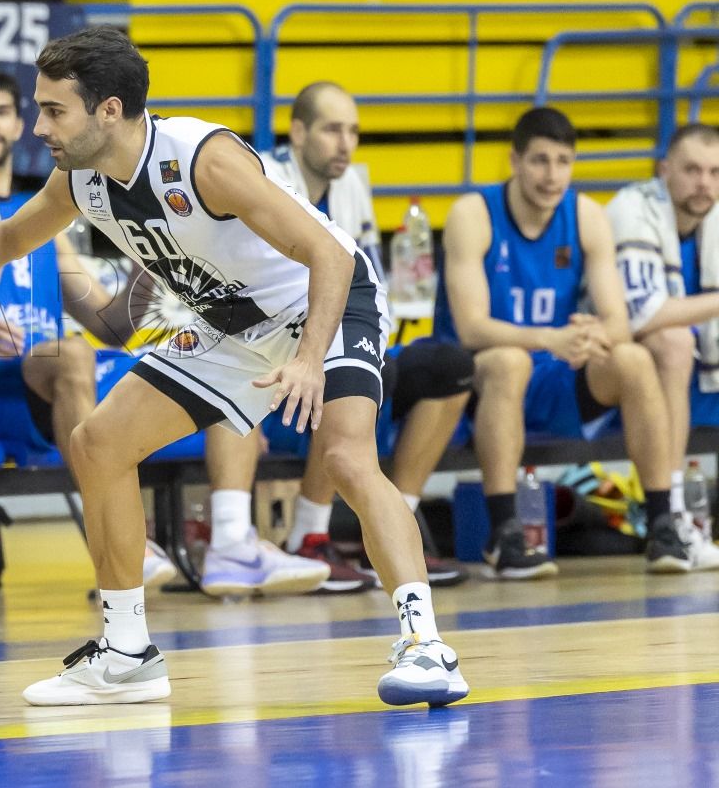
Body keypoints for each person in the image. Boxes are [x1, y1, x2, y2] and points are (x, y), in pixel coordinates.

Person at [0, 26, 468, 709]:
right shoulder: (83, 178)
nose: (37, 126)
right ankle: (127, 651)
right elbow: (10, 239)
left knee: (344, 457)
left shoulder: (202, 159)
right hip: (228, 324)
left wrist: (311, 360)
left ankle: (427, 647)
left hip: (323, 303)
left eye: (53, 110)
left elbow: (330, 257)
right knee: (98, 442)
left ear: (108, 110)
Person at [204, 82, 471, 594]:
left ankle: (394, 532)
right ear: (298, 132)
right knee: (326, 364)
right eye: (332, 130)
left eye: (352, 131)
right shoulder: (258, 176)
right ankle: (308, 535)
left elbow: (367, 283)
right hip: (273, 345)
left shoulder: (352, 185)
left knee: (449, 365)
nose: (345, 143)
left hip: (339, 334)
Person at [0, 72, 178, 588]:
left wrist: (150, 264)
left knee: (183, 359)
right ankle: (121, 543)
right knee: (71, 356)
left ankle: (216, 536)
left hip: (57, 385)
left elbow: (111, 327)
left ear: (20, 122)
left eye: (1, 111)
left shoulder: (42, 217)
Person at [437, 107, 690, 577]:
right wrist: (550, 338)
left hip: (554, 370)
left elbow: (619, 321)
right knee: (511, 361)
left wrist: (594, 333)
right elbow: (471, 327)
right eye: (540, 161)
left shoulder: (587, 215)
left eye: (563, 162)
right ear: (514, 161)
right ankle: (504, 533)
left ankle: (661, 525)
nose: (552, 176)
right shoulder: (473, 214)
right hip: (477, 380)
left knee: (633, 358)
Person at [606, 122, 719, 567]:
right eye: (692, 170)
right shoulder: (633, 208)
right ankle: (669, 517)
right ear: (664, 170)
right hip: (614, 371)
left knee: (676, 342)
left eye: (714, 171)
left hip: (698, 373)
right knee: (671, 341)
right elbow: (644, 315)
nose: (704, 183)